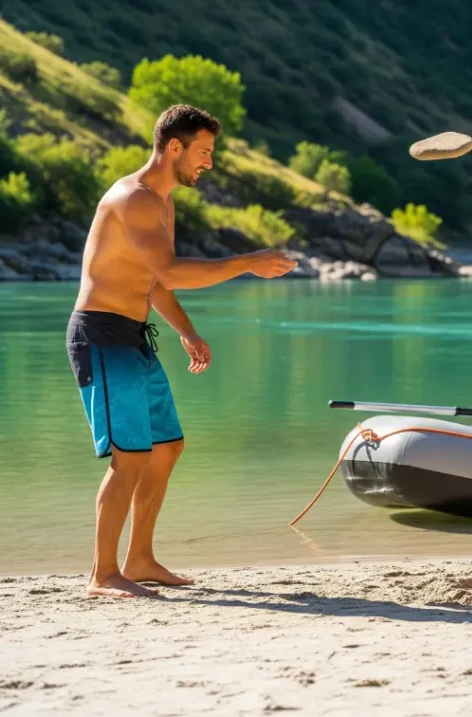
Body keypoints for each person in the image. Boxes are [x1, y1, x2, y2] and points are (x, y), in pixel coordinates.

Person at [65, 104, 298, 598]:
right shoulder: (134, 198)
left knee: (167, 447)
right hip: (101, 336)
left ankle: (141, 558)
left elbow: (154, 282)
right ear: (174, 147)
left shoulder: (162, 204)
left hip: (131, 335)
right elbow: (171, 273)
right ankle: (103, 574)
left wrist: (186, 332)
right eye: (204, 152)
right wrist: (246, 262)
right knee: (129, 458)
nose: (208, 163)